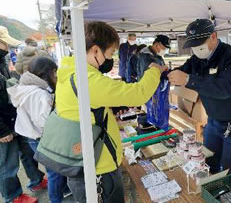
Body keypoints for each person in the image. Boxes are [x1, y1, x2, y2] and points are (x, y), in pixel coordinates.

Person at [55, 21, 167, 202]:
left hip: (80, 159)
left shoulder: (69, 70)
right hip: (97, 168)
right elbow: (139, 94)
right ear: (95, 50)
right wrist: (154, 70)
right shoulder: (87, 79)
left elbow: (86, 107)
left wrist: (110, 105)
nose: (110, 59)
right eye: (109, 54)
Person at [168, 19, 231, 182]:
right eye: (193, 45)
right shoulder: (197, 58)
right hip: (215, 121)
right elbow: (181, 71)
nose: (196, 49)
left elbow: (225, 88)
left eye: (200, 43)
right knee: (209, 162)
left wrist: (188, 80)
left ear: (214, 36)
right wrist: (164, 72)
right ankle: (213, 191)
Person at [8, 56, 67, 203]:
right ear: (47, 73)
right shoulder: (40, 94)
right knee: (54, 172)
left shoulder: (27, 87)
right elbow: (44, 121)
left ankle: (62, 191)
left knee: (53, 171)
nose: (56, 77)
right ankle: (56, 199)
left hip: (31, 136)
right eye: (54, 73)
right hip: (41, 136)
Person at [0, 26, 42, 203]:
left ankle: (37, 180)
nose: (7, 48)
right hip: (3, 124)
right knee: (8, 163)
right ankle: (13, 196)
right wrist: (1, 131)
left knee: (27, 151)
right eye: (5, 44)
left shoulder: (2, 62)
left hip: (13, 117)